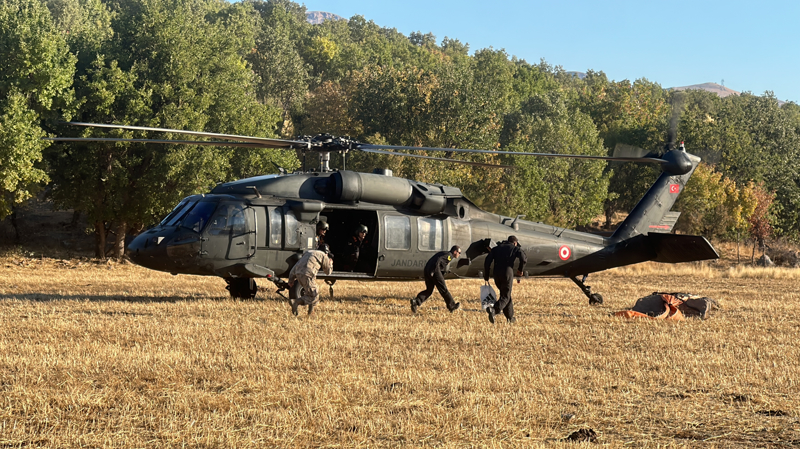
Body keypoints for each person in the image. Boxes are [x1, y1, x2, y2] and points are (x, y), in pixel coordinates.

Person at [483, 235, 527, 324]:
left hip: (496, 274)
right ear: (515, 243)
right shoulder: (514, 248)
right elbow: (523, 258)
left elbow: (487, 261)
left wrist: (486, 275)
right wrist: (520, 269)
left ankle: (510, 317)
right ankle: (494, 310)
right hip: (507, 272)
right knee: (506, 296)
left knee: (505, 295)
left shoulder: (496, 248)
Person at [411, 246, 462, 313]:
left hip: (427, 269)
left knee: (429, 290)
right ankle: (452, 306)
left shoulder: (445, 253)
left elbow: (439, 262)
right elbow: (439, 260)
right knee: (443, 289)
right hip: (434, 271)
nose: (459, 254)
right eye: (459, 252)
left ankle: (416, 301)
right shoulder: (449, 255)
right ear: (455, 252)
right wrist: (433, 271)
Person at [288, 244, 334, 316]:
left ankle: (311, 312)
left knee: (313, 292)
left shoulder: (308, 252)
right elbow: (328, 272)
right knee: (314, 296)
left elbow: (296, 266)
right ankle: (296, 302)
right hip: (308, 275)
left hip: (298, 274)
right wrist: (330, 264)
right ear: (327, 252)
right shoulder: (323, 255)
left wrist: (291, 279)